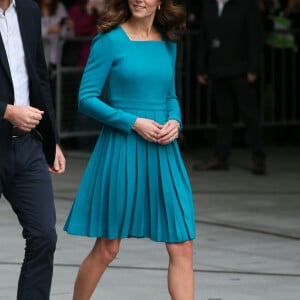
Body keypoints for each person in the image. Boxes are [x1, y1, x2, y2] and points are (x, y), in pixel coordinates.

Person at [63, 0, 196, 299]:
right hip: (122, 146)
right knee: (108, 247)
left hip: (163, 149)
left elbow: (170, 95)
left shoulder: (168, 42)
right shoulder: (109, 40)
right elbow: (86, 98)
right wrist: (133, 122)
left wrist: (175, 120)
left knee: (182, 244)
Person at [0, 0, 66, 299]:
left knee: (43, 236)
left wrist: (52, 140)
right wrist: (6, 111)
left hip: (26, 146)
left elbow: (39, 75)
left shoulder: (27, 10)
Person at [193, 0, 267, 175]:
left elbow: (255, 37)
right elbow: (204, 37)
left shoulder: (245, 5)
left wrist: (253, 67)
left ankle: (258, 157)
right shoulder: (209, 5)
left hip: (241, 70)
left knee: (250, 115)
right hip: (217, 69)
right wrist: (201, 68)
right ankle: (221, 157)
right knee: (223, 116)